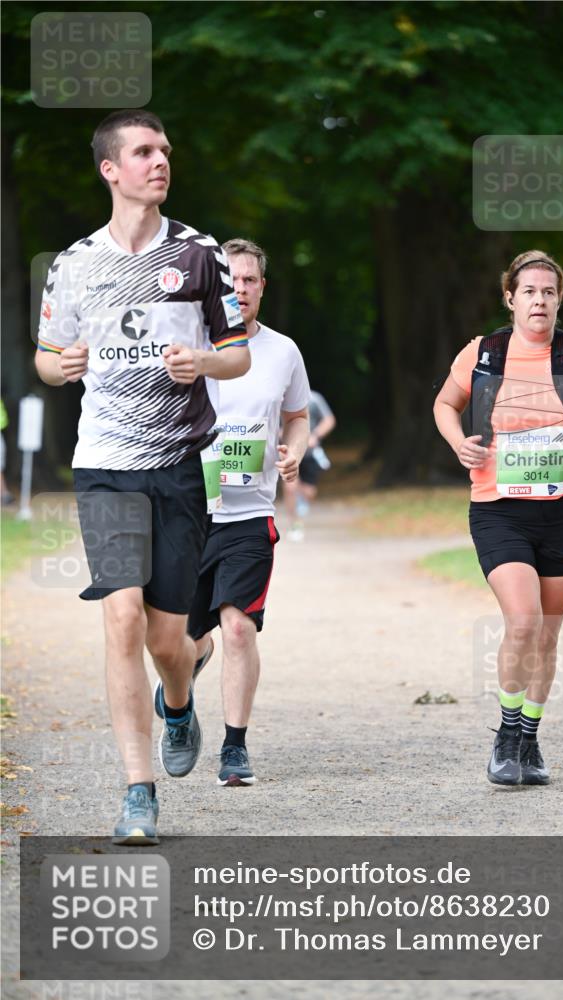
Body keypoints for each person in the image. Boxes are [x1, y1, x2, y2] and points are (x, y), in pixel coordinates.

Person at [34, 110, 250, 844]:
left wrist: (204, 363)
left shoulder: (198, 254)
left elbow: (237, 353)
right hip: (104, 465)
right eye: (144, 152)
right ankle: (137, 789)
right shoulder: (74, 263)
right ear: (110, 170)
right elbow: (48, 352)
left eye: (164, 149)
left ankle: (182, 699)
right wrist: (56, 366)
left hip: (179, 466)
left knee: (167, 640)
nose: (159, 161)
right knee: (120, 616)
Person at [434, 250, 563, 787]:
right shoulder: (484, 353)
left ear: (560, 300)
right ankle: (506, 734)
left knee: (548, 634)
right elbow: (445, 404)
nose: (539, 300)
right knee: (523, 621)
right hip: (499, 508)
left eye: (549, 292)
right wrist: (458, 443)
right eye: (530, 291)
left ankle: (529, 740)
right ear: (510, 298)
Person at [154, 238, 310, 786]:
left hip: (250, 513)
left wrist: (295, 449)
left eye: (249, 281)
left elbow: (297, 416)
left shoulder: (283, 352)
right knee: (177, 641)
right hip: (188, 512)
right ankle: (184, 678)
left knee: (239, 628)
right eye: (230, 281)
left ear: (262, 287)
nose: (239, 290)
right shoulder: (181, 345)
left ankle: (235, 747)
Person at [283, 390, 336, 540]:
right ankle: (295, 524)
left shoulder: (315, 398)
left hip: (310, 453)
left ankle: (300, 500)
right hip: (288, 451)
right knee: (289, 487)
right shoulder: (280, 397)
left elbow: (329, 420)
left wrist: (315, 436)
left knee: (309, 492)